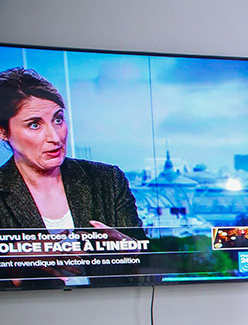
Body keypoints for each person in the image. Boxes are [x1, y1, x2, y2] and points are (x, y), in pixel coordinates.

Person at [0, 67, 144, 286]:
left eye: (58, 120)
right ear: (4, 132)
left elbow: (153, 269)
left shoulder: (107, 180)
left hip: (114, 309)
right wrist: (15, 268)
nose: (55, 137)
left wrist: (129, 248)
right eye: (34, 125)